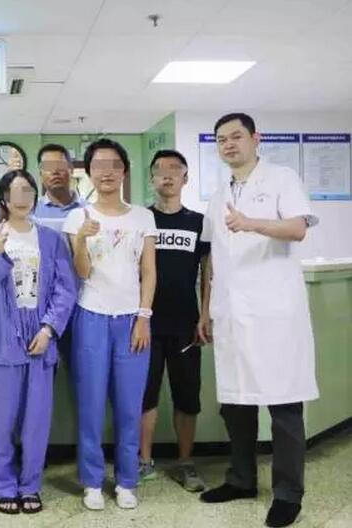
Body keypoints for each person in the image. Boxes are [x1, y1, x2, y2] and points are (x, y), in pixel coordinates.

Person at [198, 113, 319, 528]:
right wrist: (206, 309)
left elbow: (298, 229)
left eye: (236, 136)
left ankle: (288, 493)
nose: (229, 144)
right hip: (231, 313)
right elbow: (212, 258)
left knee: (284, 405)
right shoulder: (219, 194)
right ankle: (241, 479)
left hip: (274, 312)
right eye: (221, 139)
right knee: (236, 403)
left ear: (255, 138)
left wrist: (251, 223)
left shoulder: (282, 178)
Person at [0, 170, 76, 515]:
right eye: (15, 191)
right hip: (1, 342)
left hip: (40, 342)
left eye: (28, 190)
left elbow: (65, 289)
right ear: (4, 198)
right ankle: (3, 486)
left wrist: (49, 330)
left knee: (36, 422)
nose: (22, 197)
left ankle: (30, 485)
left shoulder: (50, 239)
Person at [63, 138, 157, 511]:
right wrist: (81, 241)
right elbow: (81, 272)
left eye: (114, 164)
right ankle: (91, 481)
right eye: (99, 165)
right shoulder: (78, 218)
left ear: (124, 171)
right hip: (90, 317)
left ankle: (127, 480)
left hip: (132, 320)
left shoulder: (142, 217)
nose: (106, 172)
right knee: (90, 404)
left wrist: (144, 316)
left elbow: (149, 271)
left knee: (129, 405)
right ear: (88, 171)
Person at [139, 149, 210, 492]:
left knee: (187, 396)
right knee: (145, 395)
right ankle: (143, 462)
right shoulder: (141, 220)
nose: (167, 175)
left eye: (174, 169)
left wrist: (205, 314)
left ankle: (185, 462)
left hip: (186, 324)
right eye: (160, 170)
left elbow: (208, 273)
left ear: (186, 178)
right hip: (146, 325)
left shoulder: (198, 222)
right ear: (151, 178)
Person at [33, 144, 85, 233]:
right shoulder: (32, 212)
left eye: (60, 166)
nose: (55, 171)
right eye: (48, 167)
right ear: (40, 174)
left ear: (71, 170)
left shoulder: (88, 210)